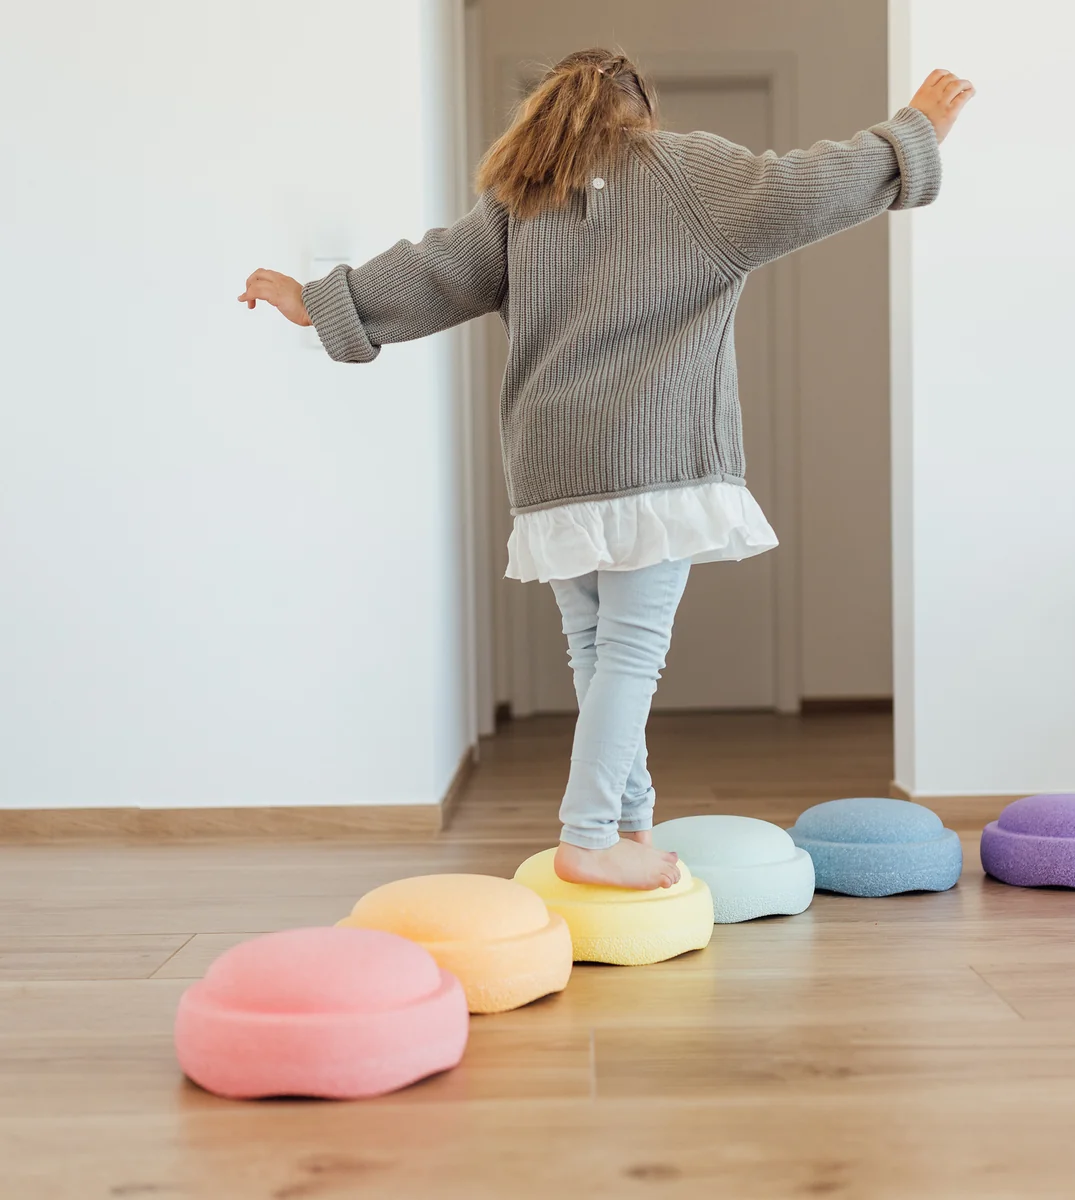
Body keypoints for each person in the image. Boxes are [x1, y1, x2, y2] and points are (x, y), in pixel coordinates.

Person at [239, 48, 974, 890]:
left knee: (594, 651)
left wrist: (319, 300)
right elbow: (808, 186)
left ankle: (628, 823)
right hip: (649, 458)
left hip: (551, 466)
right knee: (631, 653)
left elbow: (434, 270)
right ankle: (587, 836)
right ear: (640, 110)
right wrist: (914, 133)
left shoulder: (522, 195)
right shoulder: (688, 171)